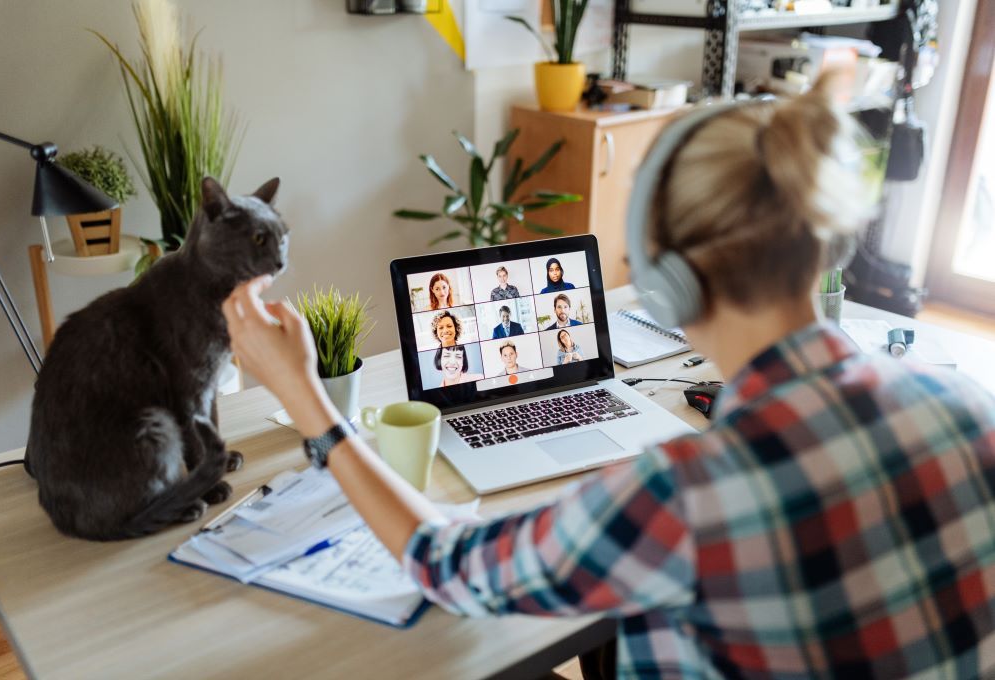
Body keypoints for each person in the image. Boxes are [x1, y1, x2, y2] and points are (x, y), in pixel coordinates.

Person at [223, 74, 995, 679]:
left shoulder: (687, 495)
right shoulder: (966, 403)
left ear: (669, 279)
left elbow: (446, 567)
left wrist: (309, 404)